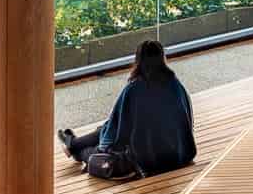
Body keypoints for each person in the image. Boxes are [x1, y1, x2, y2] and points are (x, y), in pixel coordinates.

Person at [59, 39, 196, 177]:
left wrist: (104, 148)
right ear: (162, 58)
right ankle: (72, 143)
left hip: (146, 161)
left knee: (96, 147)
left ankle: (74, 148)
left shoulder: (134, 89)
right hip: (179, 153)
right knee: (108, 128)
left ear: (139, 60)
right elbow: (186, 120)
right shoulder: (175, 84)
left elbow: (117, 130)